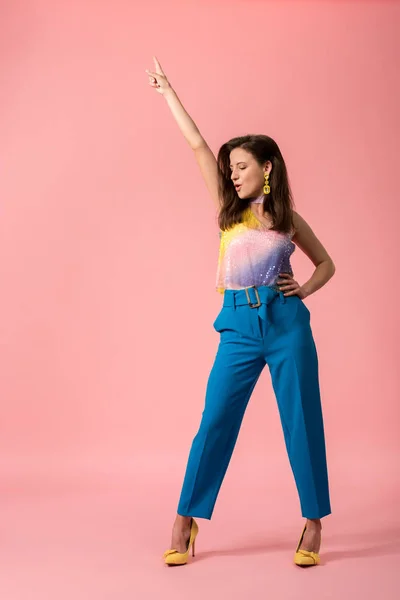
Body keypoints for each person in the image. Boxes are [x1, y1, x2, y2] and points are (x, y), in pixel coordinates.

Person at [145, 56, 335, 568]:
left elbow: (327, 264)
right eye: (231, 168)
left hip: (286, 325)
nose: (232, 172)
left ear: (266, 168)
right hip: (238, 326)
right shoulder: (227, 208)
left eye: (242, 165)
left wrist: (305, 290)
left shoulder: (286, 218)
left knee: (302, 420)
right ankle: (186, 518)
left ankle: (313, 522)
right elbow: (198, 146)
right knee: (215, 420)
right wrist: (168, 93)